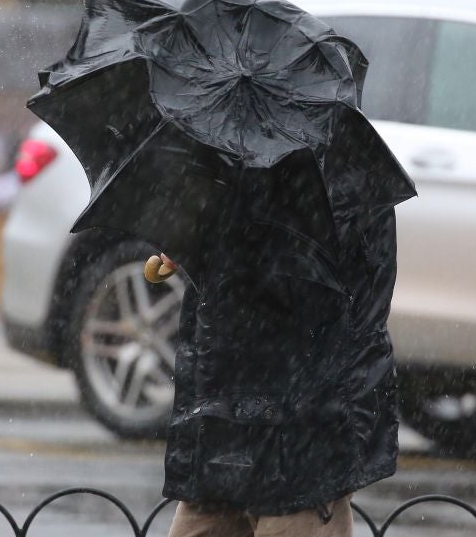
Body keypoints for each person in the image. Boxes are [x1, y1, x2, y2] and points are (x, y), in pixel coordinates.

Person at [144, 192, 401, 537]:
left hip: (305, 434)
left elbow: (346, 311)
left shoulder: (339, 176)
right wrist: (195, 240)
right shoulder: (225, 163)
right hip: (221, 419)